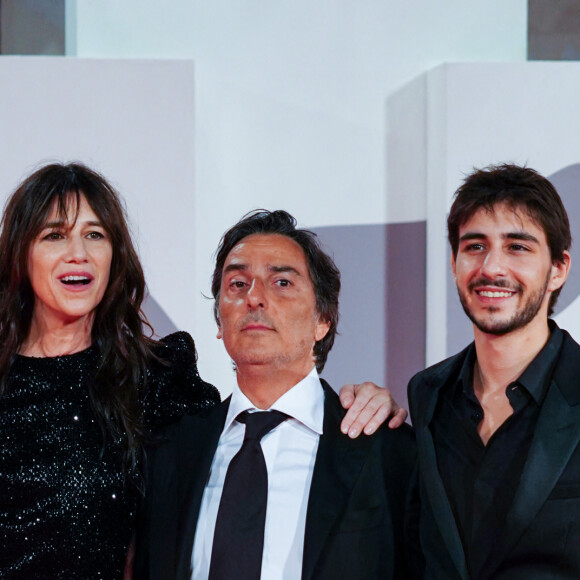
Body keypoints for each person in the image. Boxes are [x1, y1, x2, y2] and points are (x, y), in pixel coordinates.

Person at [0, 163, 401, 579]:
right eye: (54, 235)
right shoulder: (189, 441)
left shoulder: (155, 381)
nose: (78, 253)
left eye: (94, 235)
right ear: (19, 253)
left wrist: (370, 401)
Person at [135, 210, 420, 579]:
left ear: (323, 320)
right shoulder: (169, 453)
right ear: (219, 321)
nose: (255, 298)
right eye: (237, 284)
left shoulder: (387, 451)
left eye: (282, 282)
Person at [408, 164, 580, 579]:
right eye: (475, 246)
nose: (492, 268)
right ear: (454, 262)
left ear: (558, 269)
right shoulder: (426, 394)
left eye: (517, 247)